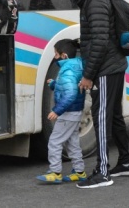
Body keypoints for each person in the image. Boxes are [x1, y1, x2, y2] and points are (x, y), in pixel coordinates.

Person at [59, 0, 129, 189]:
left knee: (101, 118)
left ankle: (103, 172)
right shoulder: (92, 0)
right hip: (113, 66)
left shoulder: (94, 2)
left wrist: (88, 75)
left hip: (105, 69)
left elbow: (100, 43)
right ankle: (125, 162)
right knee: (113, 116)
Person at [36, 39, 86, 184]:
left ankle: (55, 172)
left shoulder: (67, 70)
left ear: (64, 56)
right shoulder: (76, 67)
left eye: (56, 54)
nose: (55, 57)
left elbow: (70, 94)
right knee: (72, 143)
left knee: (54, 142)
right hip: (75, 112)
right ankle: (79, 171)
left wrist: (57, 110)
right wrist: (54, 84)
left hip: (68, 113)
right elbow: (68, 87)